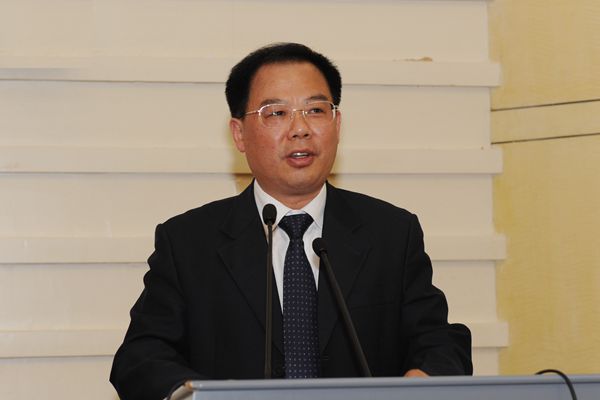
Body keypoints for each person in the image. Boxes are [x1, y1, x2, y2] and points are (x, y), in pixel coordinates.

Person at [110, 42, 472, 400]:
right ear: (239, 134)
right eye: (277, 113)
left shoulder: (391, 232)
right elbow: (141, 357)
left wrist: (423, 379)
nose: (300, 128)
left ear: (337, 123)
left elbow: (439, 340)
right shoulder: (188, 242)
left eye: (315, 110)